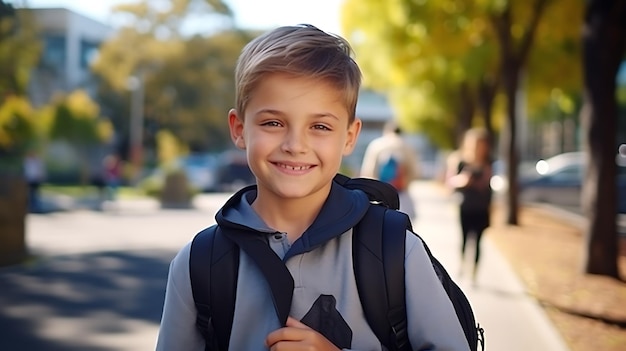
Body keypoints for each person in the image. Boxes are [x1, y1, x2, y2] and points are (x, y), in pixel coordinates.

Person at [156, 24, 469, 351]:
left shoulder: (394, 250)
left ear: (349, 137)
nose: (295, 145)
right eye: (273, 123)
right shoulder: (198, 263)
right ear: (239, 129)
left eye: (319, 126)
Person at [445, 128, 493, 284]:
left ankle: (474, 273)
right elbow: (450, 182)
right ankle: (462, 266)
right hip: (465, 206)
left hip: (481, 207)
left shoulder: (489, 162)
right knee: (464, 239)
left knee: (478, 242)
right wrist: (464, 180)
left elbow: (490, 184)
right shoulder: (461, 161)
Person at [360, 120, 420, 219]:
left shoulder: (376, 145)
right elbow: (415, 172)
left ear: (386, 131)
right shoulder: (407, 146)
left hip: (379, 191)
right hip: (400, 192)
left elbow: (368, 170)